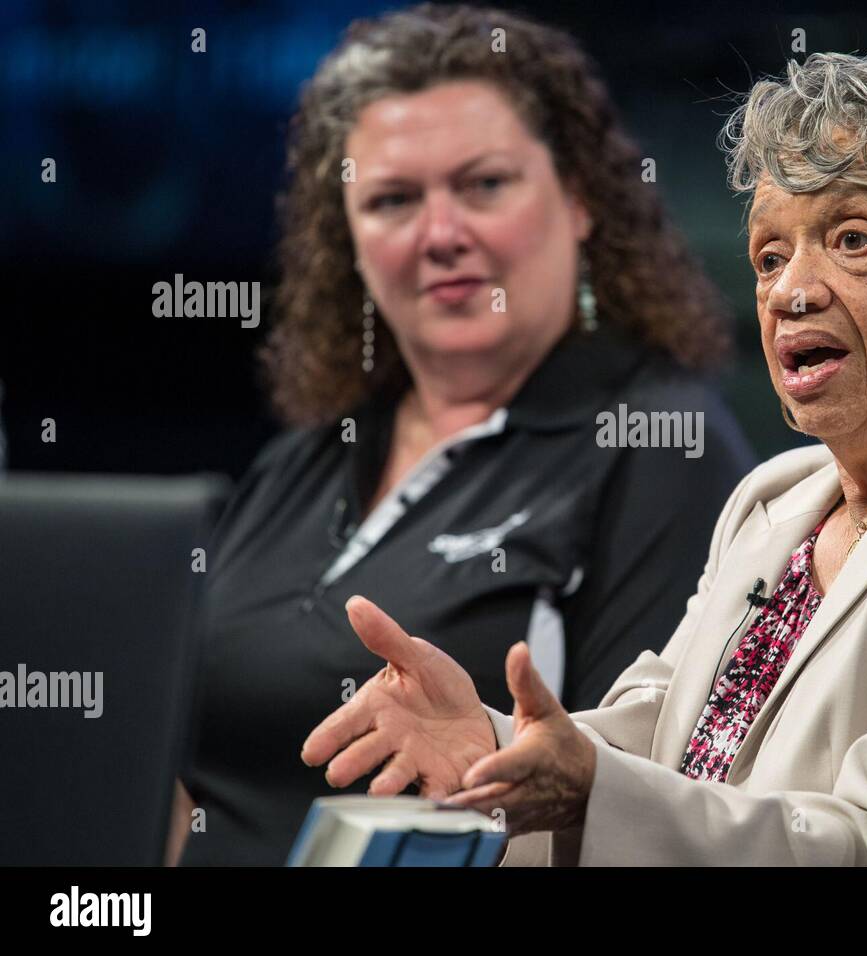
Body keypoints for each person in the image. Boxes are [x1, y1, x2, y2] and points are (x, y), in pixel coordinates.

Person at [301, 48, 867, 866]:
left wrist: (592, 793)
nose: (792, 290)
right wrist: (494, 749)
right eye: (770, 254)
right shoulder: (775, 499)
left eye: (853, 240)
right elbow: (656, 742)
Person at [174, 4, 754, 866]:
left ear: (580, 200)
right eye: (394, 199)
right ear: (350, 239)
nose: (442, 234)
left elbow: (665, 792)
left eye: (484, 185)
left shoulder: (661, 442)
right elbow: (180, 777)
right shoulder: (303, 456)